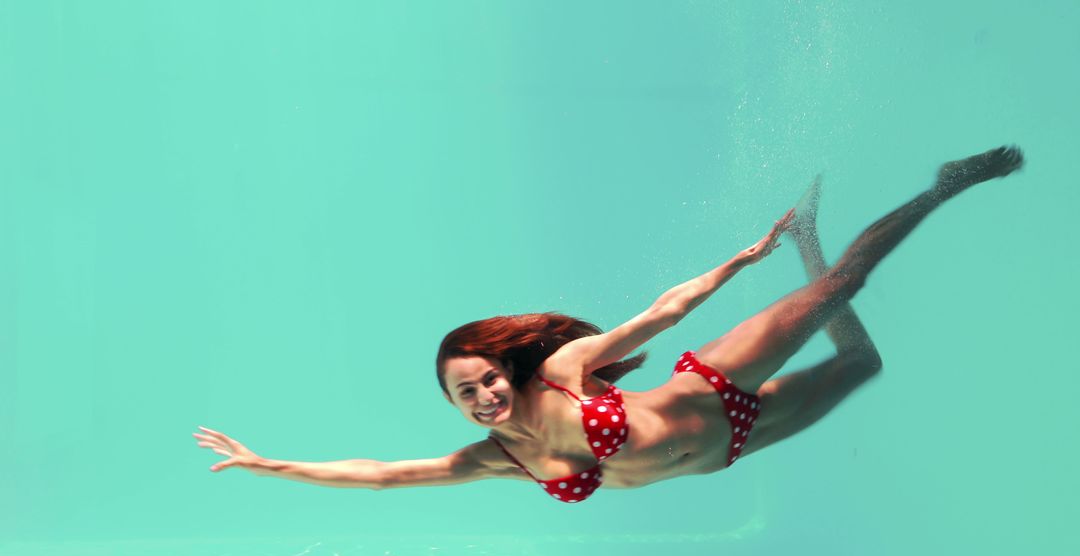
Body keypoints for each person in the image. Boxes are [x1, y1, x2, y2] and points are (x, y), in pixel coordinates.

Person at [195, 146, 1024, 503]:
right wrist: (269, 464)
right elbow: (381, 475)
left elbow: (664, 313)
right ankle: (816, 246)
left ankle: (945, 187)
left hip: (713, 387)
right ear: (454, 406)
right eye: (465, 391)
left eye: (486, 375)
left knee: (851, 282)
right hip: (735, 444)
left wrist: (738, 263)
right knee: (863, 362)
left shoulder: (562, 373)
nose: (483, 392)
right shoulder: (499, 458)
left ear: (506, 370)